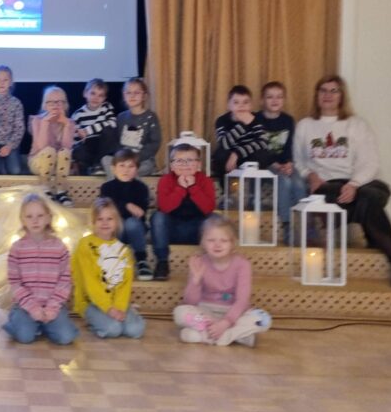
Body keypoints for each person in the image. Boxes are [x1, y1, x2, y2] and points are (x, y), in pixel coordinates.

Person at [293, 75, 391, 287]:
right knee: (367, 201)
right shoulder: (305, 125)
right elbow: (298, 161)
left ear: (342, 96)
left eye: (334, 91)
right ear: (316, 95)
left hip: (362, 183)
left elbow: (371, 162)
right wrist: (309, 174)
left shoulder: (356, 125)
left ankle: (384, 247)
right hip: (327, 187)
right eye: (323, 90)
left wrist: (354, 184)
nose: (328, 95)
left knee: (369, 195)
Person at [173, 215, 272, 346]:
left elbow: (242, 301)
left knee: (263, 319)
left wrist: (226, 322)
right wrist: (195, 281)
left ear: (232, 243)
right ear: (203, 242)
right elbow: (190, 302)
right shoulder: (199, 262)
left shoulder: (242, 264)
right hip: (206, 311)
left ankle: (212, 336)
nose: (217, 245)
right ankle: (236, 336)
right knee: (180, 312)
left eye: (224, 240)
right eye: (211, 240)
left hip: (234, 313)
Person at [3, 194, 79, 345]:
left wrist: (52, 308)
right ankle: (22, 322)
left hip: (53, 305)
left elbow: (65, 281)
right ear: (23, 220)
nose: (35, 220)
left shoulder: (59, 247)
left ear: (48, 218)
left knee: (66, 337)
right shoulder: (17, 248)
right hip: (25, 306)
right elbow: (15, 283)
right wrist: (32, 308)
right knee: (25, 336)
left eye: (40, 216)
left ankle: (44, 324)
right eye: (29, 216)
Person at [71, 197, 145, 339]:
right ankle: (93, 321)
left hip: (117, 302)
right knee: (113, 329)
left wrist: (120, 307)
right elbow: (90, 283)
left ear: (116, 222)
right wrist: (108, 308)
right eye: (100, 219)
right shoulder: (85, 245)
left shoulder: (123, 250)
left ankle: (127, 312)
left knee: (136, 330)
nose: (105, 223)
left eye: (109, 219)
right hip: (92, 302)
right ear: (93, 222)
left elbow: (125, 283)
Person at [150, 144, 217, 281]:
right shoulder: (165, 180)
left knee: (215, 219)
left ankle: (213, 262)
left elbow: (208, 208)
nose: (185, 165)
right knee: (158, 217)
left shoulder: (205, 181)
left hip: (197, 231)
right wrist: (180, 188)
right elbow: (164, 207)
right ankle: (162, 262)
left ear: (198, 165)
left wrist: (193, 187)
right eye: (179, 161)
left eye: (190, 160)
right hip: (172, 231)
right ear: (172, 166)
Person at [255, 81, 307, 242]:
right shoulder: (255, 119)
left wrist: (289, 163)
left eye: (279, 97)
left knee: (299, 183)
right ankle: (287, 224)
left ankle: (303, 224)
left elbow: (289, 146)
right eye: (270, 97)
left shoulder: (288, 120)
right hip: (264, 165)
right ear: (262, 100)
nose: (274, 100)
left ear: (284, 99)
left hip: (283, 164)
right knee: (284, 181)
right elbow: (257, 149)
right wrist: (275, 165)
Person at [99, 149, 153, 280]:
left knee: (131, 222)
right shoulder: (106, 187)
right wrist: (127, 205)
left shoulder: (141, 188)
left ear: (137, 169)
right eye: (122, 165)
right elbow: (108, 210)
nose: (126, 170)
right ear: (113, 168)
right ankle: (113, 262)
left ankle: (141, 260)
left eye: (131, 166)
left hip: (135, 230)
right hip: (115, 230)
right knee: (114, 222)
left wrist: (121, 207)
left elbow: (140, 214)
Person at [29, 86, 75, 206]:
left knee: (64, 152)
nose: (55, 105)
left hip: (59, 163)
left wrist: (66, 125)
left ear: (65, 105)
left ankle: (61, 192)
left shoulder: (70, 122)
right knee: (49, 150)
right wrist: (46, 122)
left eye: (59, 102)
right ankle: (45, 189)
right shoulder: (37, 120)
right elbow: (41, 146)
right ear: (44, 105)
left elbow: (67, 147)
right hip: (39, 160)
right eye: (51, 102)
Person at [212, 85, 272, 177]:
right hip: (229, 158)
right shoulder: (222, 120)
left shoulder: (257, 118)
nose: (241, 106)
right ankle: (226, 183)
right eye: (236, 102)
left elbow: (263, 142)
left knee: (263, 154)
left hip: (248, 156)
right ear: (229, 105)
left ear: (251, 105)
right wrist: (243, 124)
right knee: (220, 154)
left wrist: (236, 154)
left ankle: (253, 183)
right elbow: (224, 144)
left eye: (245, 102)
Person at [114, 78, 162, 176]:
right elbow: (116, 142)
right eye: (128, 93)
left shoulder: (151, 117)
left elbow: (154, 143)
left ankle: (127, 181)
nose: (132, 96)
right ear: (124, 95)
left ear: (144, 96)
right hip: (124, 160)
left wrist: (135, 159)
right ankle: (120, 182)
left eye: (136, 92)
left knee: (141, 168)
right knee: (106, 160)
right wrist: (122, 158)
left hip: (142, 160)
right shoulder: (120, 117)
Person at [71, 78, 119, 175]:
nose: (96, 98)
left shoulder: (106, 107)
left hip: (102, 144)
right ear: (85, 93)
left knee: (109, 131)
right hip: (88, 146)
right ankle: (90, 168)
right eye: (93, 93)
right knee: (77, 150)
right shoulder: (78, 114)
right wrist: (80, 136)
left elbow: (113, 123)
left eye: (100, 95)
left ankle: (97, 164)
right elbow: (74, 137)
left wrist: (89, 130)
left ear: (104, 98)